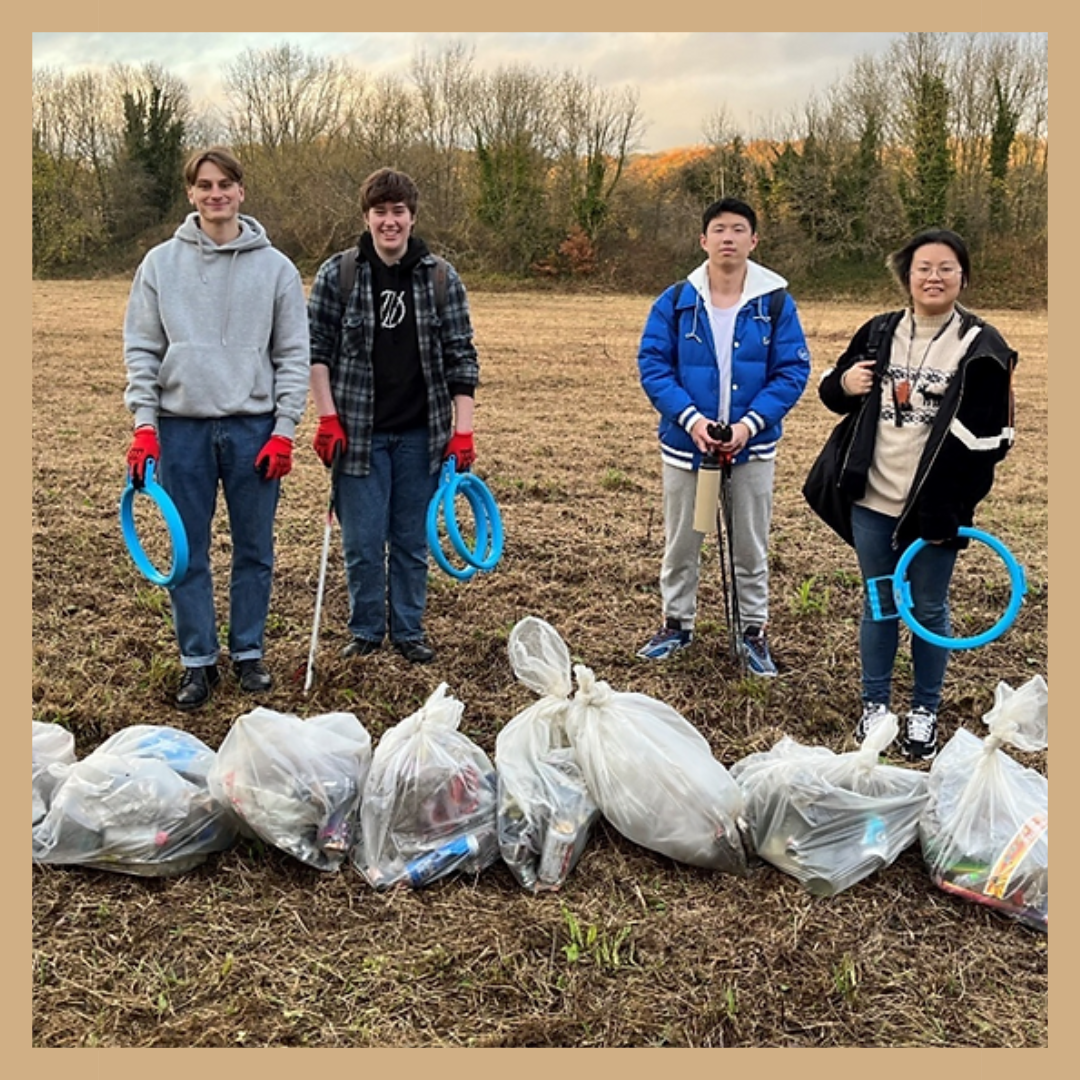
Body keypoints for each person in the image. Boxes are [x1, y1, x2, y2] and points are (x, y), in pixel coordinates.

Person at [813, 228, 1017, 760]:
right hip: (873, 500)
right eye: (923, 267)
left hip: (936, 512)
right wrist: (842, 386)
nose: (934, 276)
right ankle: (874, 706)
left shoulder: (983, 347)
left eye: (946, 267)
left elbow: (994, 441)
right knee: (880, 603)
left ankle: (924, 711)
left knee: (928, 608)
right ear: (906, 276)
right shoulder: (879, 332)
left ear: (963, 277)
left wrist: (953, 507)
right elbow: (833, 393)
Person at [123, 146, 310, 709]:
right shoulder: (160, 265)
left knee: (255, 549)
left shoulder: (276, 268)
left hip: (253, 428)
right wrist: (144, 425)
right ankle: (197, 662)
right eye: (204, 185)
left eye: (225, 183)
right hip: (182, 430)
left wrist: (284, 429)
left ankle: (248, 653)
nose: (215, 194)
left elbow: (293, 354)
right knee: (190, 550)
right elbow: (142, 348)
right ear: (191, 194)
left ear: (241, 191)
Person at [307, 167, 480, 664]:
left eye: (398, 212)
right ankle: (365, 630)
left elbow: (461, 357)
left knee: (409, 541)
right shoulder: (337, 275)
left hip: (421, 437)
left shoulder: (442, 278)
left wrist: (462, 431)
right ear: (366, 217)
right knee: (362, 543)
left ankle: (408, 630)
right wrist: (327, 418)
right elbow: (315, 352)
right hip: (357, 437)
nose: (390, 222)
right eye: (380, 212)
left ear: (412, 217)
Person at [637, 196, 811, 675]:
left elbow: (792, 371)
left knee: (749, 545)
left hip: (750, 454)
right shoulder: (676, 301)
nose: (728, 237)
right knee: (686, 540)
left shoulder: (775, 303)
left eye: (738, 229)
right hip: (693, 456)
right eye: (718, 229)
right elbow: (653, 365)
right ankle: (677, 623)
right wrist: (692, 420)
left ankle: (752, 631)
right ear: (703, 240)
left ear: (754, 240)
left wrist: (747, 426)